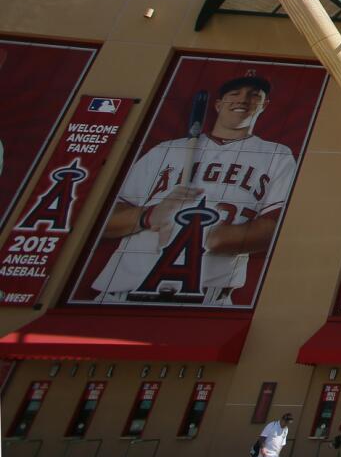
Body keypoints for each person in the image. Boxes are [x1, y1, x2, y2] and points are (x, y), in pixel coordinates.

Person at [90, 75, 299, 304]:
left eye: (254, 95)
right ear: (218, 104)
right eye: (234, 94)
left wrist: (197, 234)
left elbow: (273, 228)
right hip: (122, 294)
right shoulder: (167, 150)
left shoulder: (277, 154)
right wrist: (150, 216)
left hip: (206, 299)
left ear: (264, 105)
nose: (243, 99)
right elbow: (102, 220)